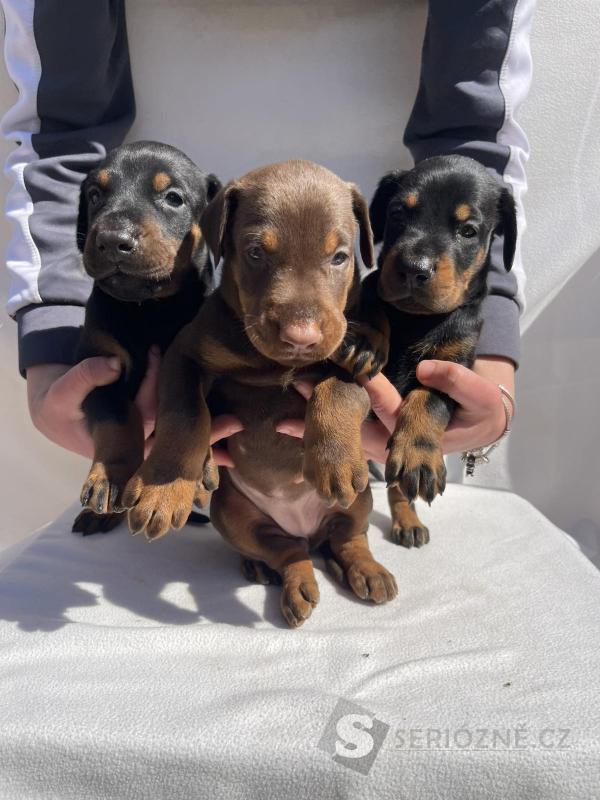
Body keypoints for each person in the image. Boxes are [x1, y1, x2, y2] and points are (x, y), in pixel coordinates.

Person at [1, 0, 534, 468]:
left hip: (369, 383)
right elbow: (63, 130)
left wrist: (488, 369)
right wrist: (56, 348)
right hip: (156, 360)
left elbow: (476, 153)